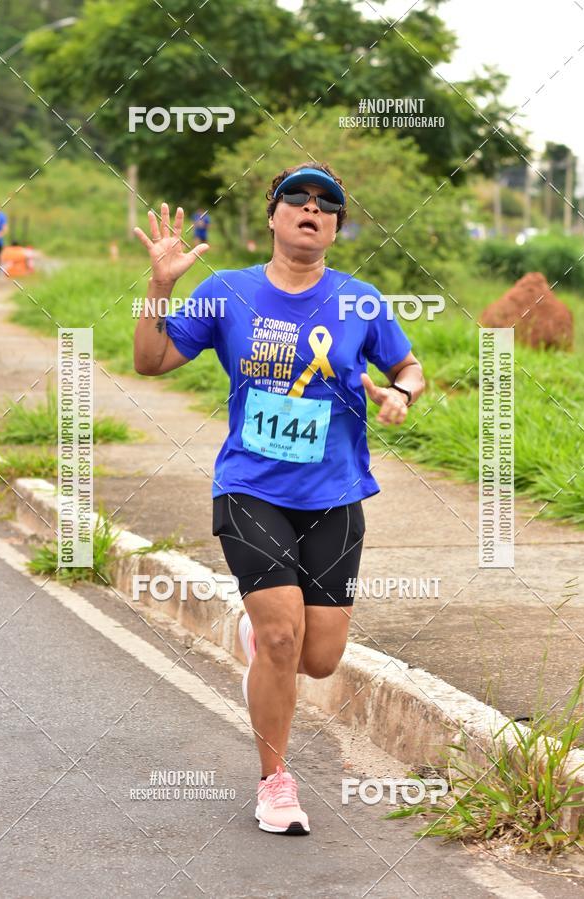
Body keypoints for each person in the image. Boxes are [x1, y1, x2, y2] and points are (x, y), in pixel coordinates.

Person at [133, 163, 425, 835]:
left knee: (318, 656)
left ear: (336, 228)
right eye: (297, 197)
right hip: (250, 489)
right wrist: (159, 284)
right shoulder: (225, 293)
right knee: (282, 633)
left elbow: (408, 366)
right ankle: (275, 781)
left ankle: (261, 638)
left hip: (334, 496)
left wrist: (400, 394)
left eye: (328, 204)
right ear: (272, 215)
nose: (311, 208)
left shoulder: (360, 301)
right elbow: (150, 361)